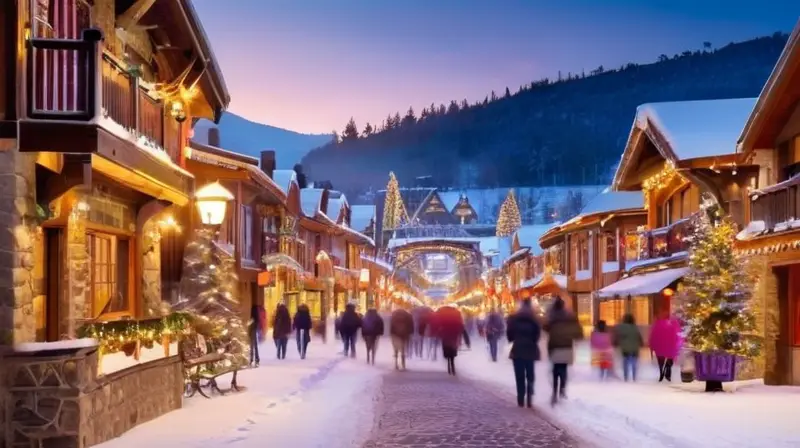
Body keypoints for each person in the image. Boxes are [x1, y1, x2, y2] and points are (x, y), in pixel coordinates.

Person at [543, 297, 583, 406]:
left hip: (554, 346)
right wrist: (577, 337)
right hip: (567, 345)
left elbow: (545, 327)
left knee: (555, 370)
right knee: (564, 369)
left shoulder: (552, 317)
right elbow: (577, 331)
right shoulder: (570, 317)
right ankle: (562, 389)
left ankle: (555, 392)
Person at [506, 298, 541, 408]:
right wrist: (533, 341)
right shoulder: (534, 319)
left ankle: (521, 397)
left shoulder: (515, 318)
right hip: (530, 349)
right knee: (530, 373)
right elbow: (537, 335)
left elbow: (510, 334)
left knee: (519, 375)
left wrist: (512, 339)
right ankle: (530, 394)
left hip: (518, 349)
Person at [649, 312, 681, 382]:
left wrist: (652, 346)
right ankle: (668, 373)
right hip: (670, 346)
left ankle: (661, 372)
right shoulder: (673, 324)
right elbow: (677, 336)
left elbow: (653, 336)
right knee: (670, 361)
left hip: (659, 346)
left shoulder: (657, 324)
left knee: (660, 361)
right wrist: (677, 345)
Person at [614, 313, 644, 381]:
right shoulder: (635, 327)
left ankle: (626, 377)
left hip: (625, 348)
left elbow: (617, 336)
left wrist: (616, 343)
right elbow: (639, 337)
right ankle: (634, 377)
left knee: (625, 363)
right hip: (635, 348)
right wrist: (641, 343)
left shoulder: (621, 327)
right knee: (634, 363)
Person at [249, 302, 263, 367]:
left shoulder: (252, 319)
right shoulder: (257, 319)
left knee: (252, 346)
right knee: (255, 346)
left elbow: (250, 326)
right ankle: (256, 359)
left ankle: (252, 360)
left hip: (252, 332)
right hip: (255, 332)